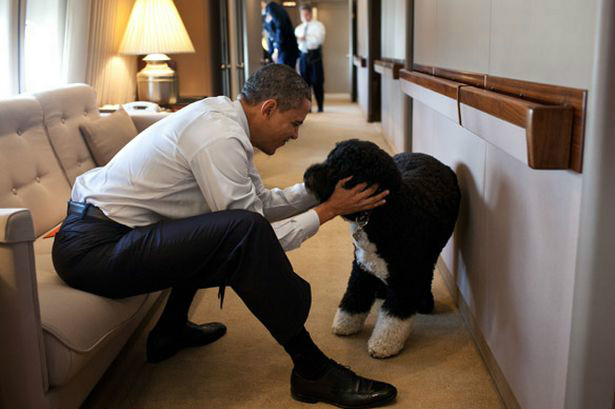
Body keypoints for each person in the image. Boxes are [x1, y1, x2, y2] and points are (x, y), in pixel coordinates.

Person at [51, 64, 397, 408]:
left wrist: (318, 190)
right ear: (268, 108)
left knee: (216, 219)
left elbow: (258, 204)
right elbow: (253, 235)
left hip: (109, 234)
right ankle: (312, 370)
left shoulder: (226, 119)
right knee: (239, 232)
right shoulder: (219, 136)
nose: (296, 136)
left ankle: (169, 330)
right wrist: (329, 210)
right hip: (94, 251)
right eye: (295, 124)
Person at [295, 3, 326, 112]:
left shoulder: (318, 26)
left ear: (310, 13)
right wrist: (300, 40)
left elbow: (319, 40)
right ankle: (308, 107)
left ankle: (320, 106)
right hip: (303, 55)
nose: (304, 16)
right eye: (302, 14)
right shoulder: (298, 29)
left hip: (315, 55)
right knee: (305, 83)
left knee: (317, 81)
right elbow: (298, 43)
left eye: (306, 14)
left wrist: (306, 37)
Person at [261, 0, 300, 67]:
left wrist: (276, 50)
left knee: (284, 73)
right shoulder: (267, 11)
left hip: (285, 50)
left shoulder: (272, 7)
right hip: (281, 50)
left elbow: (280, 27)